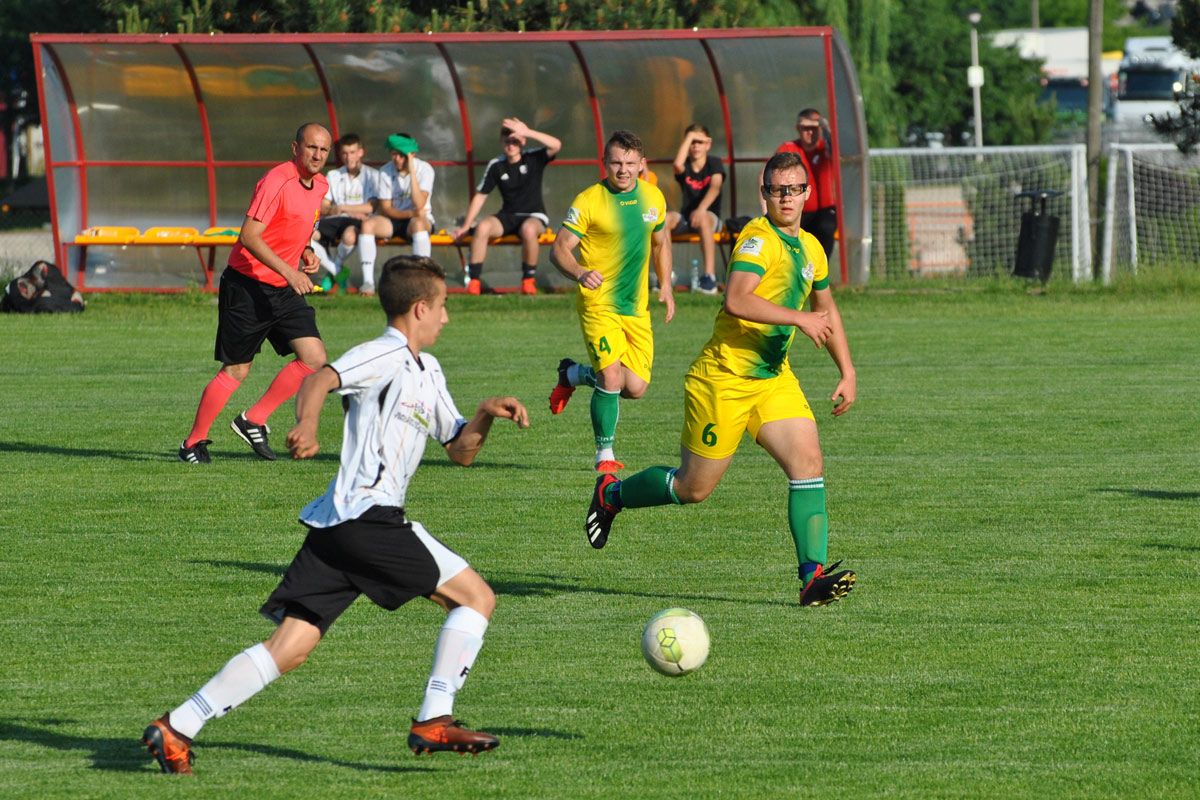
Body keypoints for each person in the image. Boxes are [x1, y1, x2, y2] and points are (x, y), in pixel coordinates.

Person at [142, 255, 531, 774]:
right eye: (442, 306)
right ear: (420, 308)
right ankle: (434, 718)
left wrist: (484, 414)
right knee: (476, 598)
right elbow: (317, 380)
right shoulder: (382, 353)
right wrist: (307, 425)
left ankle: (178, 724)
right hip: (369, 517)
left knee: (291, 646)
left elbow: (460, 451)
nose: (446, 316)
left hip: (338, 527)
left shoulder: (428, 370)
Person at [584, 151, 858, 608]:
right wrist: (799, 318)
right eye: (777, 190)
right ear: (764, 193)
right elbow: (736, 299)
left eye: (794, 189)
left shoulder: (811, 247)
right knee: (693, 488)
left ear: (807, 193)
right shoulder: (757, 240)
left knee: (808, 464)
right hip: (723, 380)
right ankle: (612, 495)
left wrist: (846, 370)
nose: (786, 198)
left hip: (772, 379)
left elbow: (826, 308)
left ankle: (811, 577)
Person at [178, 122, 332, 465]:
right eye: (311, 147)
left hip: (283, 287)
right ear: (295, 148)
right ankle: (192, 443)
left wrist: (306, 251)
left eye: (324, 149)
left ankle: (253, 419)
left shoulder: (321, 184)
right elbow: (249, 236)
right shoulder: (276, 181)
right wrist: (289, 271)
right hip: (247, 286)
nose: (317, 155)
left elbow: (300, 228)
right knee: (237, 370)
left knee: (314, 358)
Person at [549, 130, 674, 473]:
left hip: (635, 308)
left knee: (635, 387)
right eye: (616, 162)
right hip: (598, 304)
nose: (623, 170)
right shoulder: (589, 200)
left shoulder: (653, 197)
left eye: (630, 163)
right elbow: (559, 249)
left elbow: (661, 243)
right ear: (605, 163)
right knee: (612, 378)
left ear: (642, 164)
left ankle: (572, 374)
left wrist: (666, 286)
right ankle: (604, 454)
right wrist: (579, 272)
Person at [451, 117, 562, 296]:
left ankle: (528, 281)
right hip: (508, 215)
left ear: (523, 142)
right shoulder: (497, 165)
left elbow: (556, 145)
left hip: (534, 215)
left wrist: (528, 132)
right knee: (483, 227)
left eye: (515, 141)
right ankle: (474, 282)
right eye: (507, 141)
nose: (511, 145)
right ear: (501, 142)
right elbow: (481, 196)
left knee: (528, 230)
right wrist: (465, 226)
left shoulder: (533, 157)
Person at [310, 133, 383, 295]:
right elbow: (324, 206)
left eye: (352, 152)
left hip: (358, 222)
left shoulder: (372, 175)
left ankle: (336, 272)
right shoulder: (333, 175)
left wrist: (342, 207)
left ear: (361, 152)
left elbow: (371, 207)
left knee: (350, 236)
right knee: (306, 234)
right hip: (335, 220)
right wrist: (338, 210)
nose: (348, 157)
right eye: (344, 153)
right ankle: (336, 270)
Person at [665, 124, 725, 295]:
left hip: (710, 218)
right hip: (687, 218)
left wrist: (701, 209)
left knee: (704, 218)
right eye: (692, 142)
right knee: (665, 219)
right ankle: (666, 276)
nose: (696, 146)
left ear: (708, 144)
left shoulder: (714, 163)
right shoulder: (685, 165)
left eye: (699, 142)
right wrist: (690, 136)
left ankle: (709, 278)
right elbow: (677, 164)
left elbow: (715, 187)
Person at [775, 108, 838, 256]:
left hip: (825, 211)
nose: (810, 132)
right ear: (798, 129)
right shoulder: (789, 149)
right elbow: (770, 173)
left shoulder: (825, 149)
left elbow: (837, 152)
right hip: (799, 210)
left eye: (814, 128)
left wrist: (826, 129)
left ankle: (821, 267)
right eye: (806, 128)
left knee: (825, 227)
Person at [362, 133, 434, 260]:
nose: (397, 159)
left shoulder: (424, 169)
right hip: (394, 219)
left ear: (412, 155)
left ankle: (422, 267)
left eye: (402, 155)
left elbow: (419, 204)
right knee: (367, 225)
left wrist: (412, 171)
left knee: (418, 224)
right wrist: (411, 213)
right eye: (394, 154)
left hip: (419, 220)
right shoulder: (385, 170)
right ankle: (367, 274)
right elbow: (386, 208)